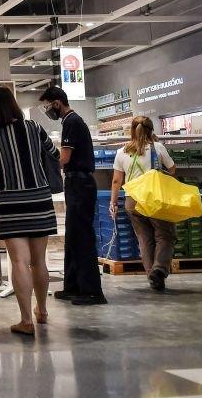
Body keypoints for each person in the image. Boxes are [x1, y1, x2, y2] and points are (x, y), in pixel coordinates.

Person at [0, 85, 60, 336]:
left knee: (19, 262)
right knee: (39, 261)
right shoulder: (33, 128)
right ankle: (42, 311)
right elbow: (53, 153)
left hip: (9, 202)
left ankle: (25, 321)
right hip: (39, 197)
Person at [39, 85, 106, 305]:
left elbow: (64, 158)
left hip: (80, 182)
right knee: (74, 237)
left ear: (57, 102)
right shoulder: (71, 121)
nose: (48, 109)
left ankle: (92, 291)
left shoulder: (71, 122)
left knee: (83, 237)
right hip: (77, 182)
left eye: (48, 105)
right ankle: (74, 286)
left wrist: (45, 165)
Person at [109, 116, 177, 291]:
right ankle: (159, 269)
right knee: (164, 235)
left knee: (144, 239)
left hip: (133, 201)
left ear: (132, 130)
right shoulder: (157, 147)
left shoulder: (121, 151)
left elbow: (117, 180)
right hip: (154, 199)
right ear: (151, 130)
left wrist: (113, 202)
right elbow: (172, 169)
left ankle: (152, 276)